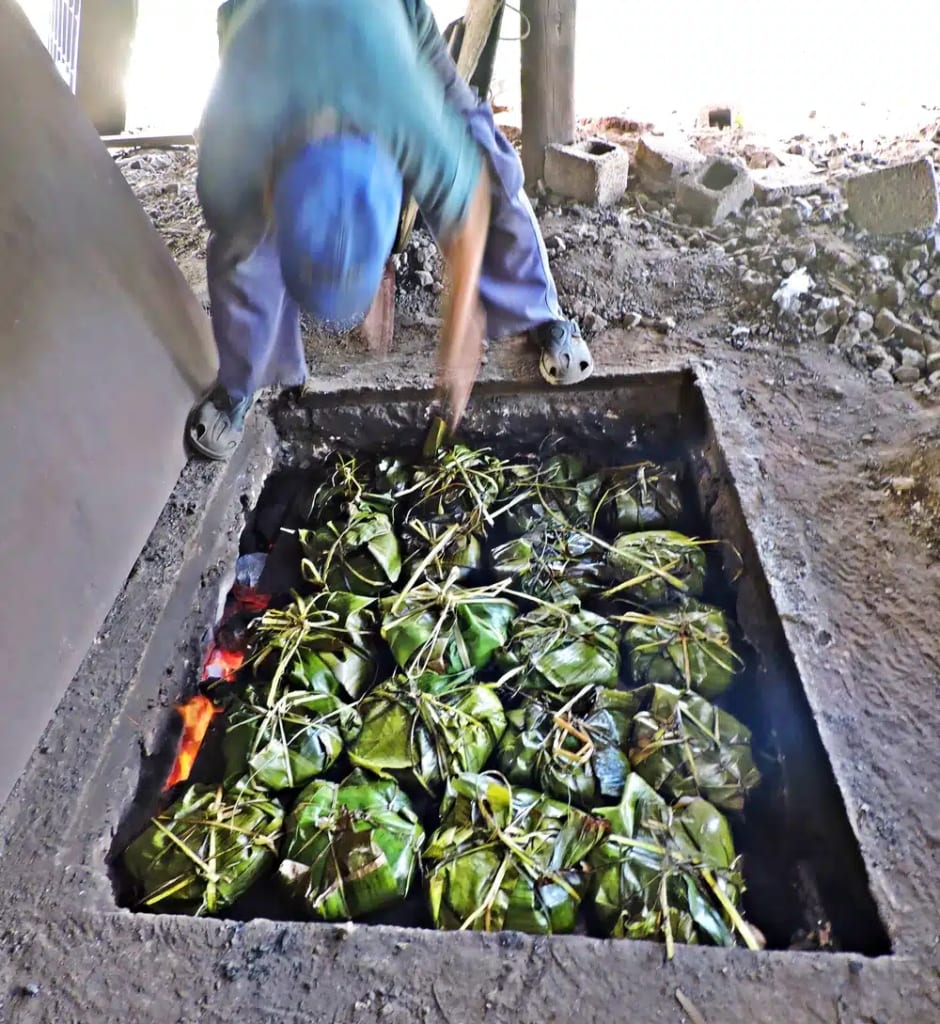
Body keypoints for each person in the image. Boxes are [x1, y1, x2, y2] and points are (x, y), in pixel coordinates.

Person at [187, 0, 594, 461]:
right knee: (245, 249)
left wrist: (461, 328)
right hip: (262, 21)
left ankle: (537, 309)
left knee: (479, 151)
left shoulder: (405, 109)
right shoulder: (231, 151)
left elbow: (469, 205)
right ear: (272, 190)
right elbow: (241, 237)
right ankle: (241, 384)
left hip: (387, 14)